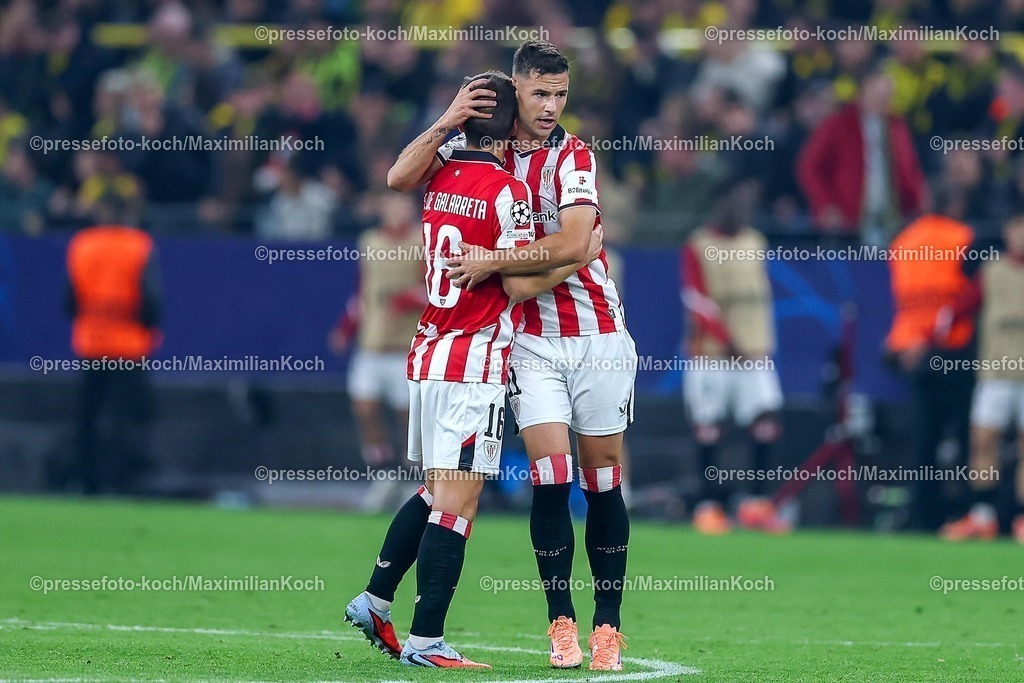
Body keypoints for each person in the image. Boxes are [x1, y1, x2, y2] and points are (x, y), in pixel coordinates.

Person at [390, 41, 636, 671]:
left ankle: (609, 624)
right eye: (540, 94)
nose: (552, 107)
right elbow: (399, 178)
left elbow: (577, 240)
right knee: (551, 479)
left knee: (603, 478)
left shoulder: (573, 155)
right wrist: (445, 119)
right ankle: (562, 623)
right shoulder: (479, 152)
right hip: (528, 341)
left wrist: (499, 259)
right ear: (515, 92)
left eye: (561, 95)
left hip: (598, 333)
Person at [345, 69, 595, 669]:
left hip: (429, 349)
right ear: (510, 125)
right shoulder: (505, 189)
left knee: (436, 492)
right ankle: (427, 640)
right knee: (459, 503)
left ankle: (374, 600)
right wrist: (573, 259)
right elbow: (513, 280)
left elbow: (395, 176)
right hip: (473, 358)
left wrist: (444, 120)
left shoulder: (443, 169)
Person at [680, 181, 787, 535]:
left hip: (754, 353)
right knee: (710, 426)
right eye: (732, 205)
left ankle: (756, 502)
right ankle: (709, 506)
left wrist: (755, 342)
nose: (738, 212)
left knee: (766, 421)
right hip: (712, 353)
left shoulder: (756, 242)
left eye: (743, 206)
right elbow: (696, 299)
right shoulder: (699, 244)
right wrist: (727, 339)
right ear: (718, 206)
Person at [885, 194, 979, 531]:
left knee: (924, 437)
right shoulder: (962, 238)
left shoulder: (904, 240)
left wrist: (910, 344)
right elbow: (964, 298)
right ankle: (963, 513)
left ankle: (923, 515)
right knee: (966, 434)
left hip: (909, 350)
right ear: (955, 206)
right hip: (953, 348)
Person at [328, 191, 424, 512]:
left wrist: (409, 299)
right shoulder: (369, 242)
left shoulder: (422, 240)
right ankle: (383, 476)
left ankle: (414, 479)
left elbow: (435, 289)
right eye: (392, 204)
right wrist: (346, 327)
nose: (397, 210)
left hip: (405, 346)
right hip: (371, 345)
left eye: (403, 204)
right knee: (365, 409)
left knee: (407, 417)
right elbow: (362, 291)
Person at [61, 194, 161, 494]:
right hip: (128, 343)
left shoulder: (82, 245)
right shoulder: (139, 246)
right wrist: (148, 327)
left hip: (91, 340)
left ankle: (86, 479)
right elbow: (152, 299)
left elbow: (69, 299)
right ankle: (124, 480)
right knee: (126, 417)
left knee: (87, 415)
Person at [941, 215, 1024, 542]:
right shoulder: (991, 272)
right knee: (983, 441)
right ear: (1007, 231)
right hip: (996, 373)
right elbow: (957, 311)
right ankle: (983, 514)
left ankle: (1020, 519)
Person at [796, 67, 925, 245]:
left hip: (892, 217)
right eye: (877, 92)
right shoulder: (839, 124)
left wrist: (917, 205)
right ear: (863, 92)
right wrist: (826, 205)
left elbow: (909, 169)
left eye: (886, 93)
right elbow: (810, 167)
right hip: (849, 219)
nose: (882, 99)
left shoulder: (896, 126)